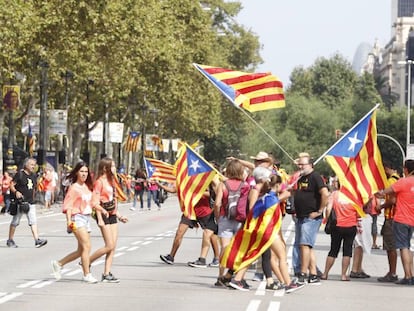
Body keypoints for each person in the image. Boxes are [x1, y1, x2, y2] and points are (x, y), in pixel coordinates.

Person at [51, 161, 98, 283]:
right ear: (77, 172)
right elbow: (69, 206)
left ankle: (59, 263)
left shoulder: (87, 187)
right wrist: (69, 222)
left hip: (86, 218)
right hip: (77, 218)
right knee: (87, 246)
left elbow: (92, 203)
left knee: (81, 250)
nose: (84, 174)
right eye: (81, 171)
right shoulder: (74, 188)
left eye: (86, 171)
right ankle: (87, 274)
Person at [159, 182, 219, 266]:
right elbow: (174, 190)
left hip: (204, 211)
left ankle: (217, 258)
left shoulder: (204, 179)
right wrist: (159, 185)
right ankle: (171, 256)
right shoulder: (186, 180)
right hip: (189, 211)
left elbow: (213, 194)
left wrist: (196, 192)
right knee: (179, 232)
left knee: (211, 235)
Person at [375, 159, 414, 285]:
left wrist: (377, 194)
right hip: (412, 220)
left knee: (403, 247)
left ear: (406, 169)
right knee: (408, 247)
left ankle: (407, 276)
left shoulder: (402, 182)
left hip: (401, 218)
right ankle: (411, 274)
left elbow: (385, 192)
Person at [89, 157, 128, 283]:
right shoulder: (99, 182)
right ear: (105, 168)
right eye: (112, 166)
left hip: (112, 215)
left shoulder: (112, 181)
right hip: (102, 215)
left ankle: (106, 273)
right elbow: (94, 202)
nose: (114, 168)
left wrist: (119, 215)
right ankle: (87, 261)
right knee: (109, 245)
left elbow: (114, 199)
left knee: (113, 246)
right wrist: (101, 217)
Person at [293, 152, 329, 284]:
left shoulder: (315, 177)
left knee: (304, 244)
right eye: (299, 164)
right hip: (301, 216)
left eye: (302, 164)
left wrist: (319, 211)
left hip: (311, 217)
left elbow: (325, 194)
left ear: (310, 165)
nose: (300, 166)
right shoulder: (301, 177)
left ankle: (303, 273)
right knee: (308, 246)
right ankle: (313, 274)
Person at [6, 158, 47, 248]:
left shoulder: (33, 175)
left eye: (34, 165)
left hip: (30, 202)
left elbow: (34, 188)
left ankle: (37, 240)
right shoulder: (20, 174)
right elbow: (12, 185)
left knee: (33, 221)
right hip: (20, 202)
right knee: (15, 221)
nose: (33, 166)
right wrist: (16, 192)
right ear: (26, 165)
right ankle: (10, 239)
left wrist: (34, 197)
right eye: (31, 164)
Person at [321, 189, 358, 281]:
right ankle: (343, 275)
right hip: (350, 226)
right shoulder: (354, 195)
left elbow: (329, 208)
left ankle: (325, 273)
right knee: (347, 251)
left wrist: (327, 220)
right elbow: (359, 213)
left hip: (337, 225)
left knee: (333, 250)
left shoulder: (335, 194)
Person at [376, 162, 400, 282]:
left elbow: (392, 199)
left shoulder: (392, 181)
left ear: (386, 168)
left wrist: (381, 207)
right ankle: (392, 272)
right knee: (392, 246)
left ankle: (392, 273)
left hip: (391, 216)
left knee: (390, 246)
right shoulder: (398, 179)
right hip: (395, 217)